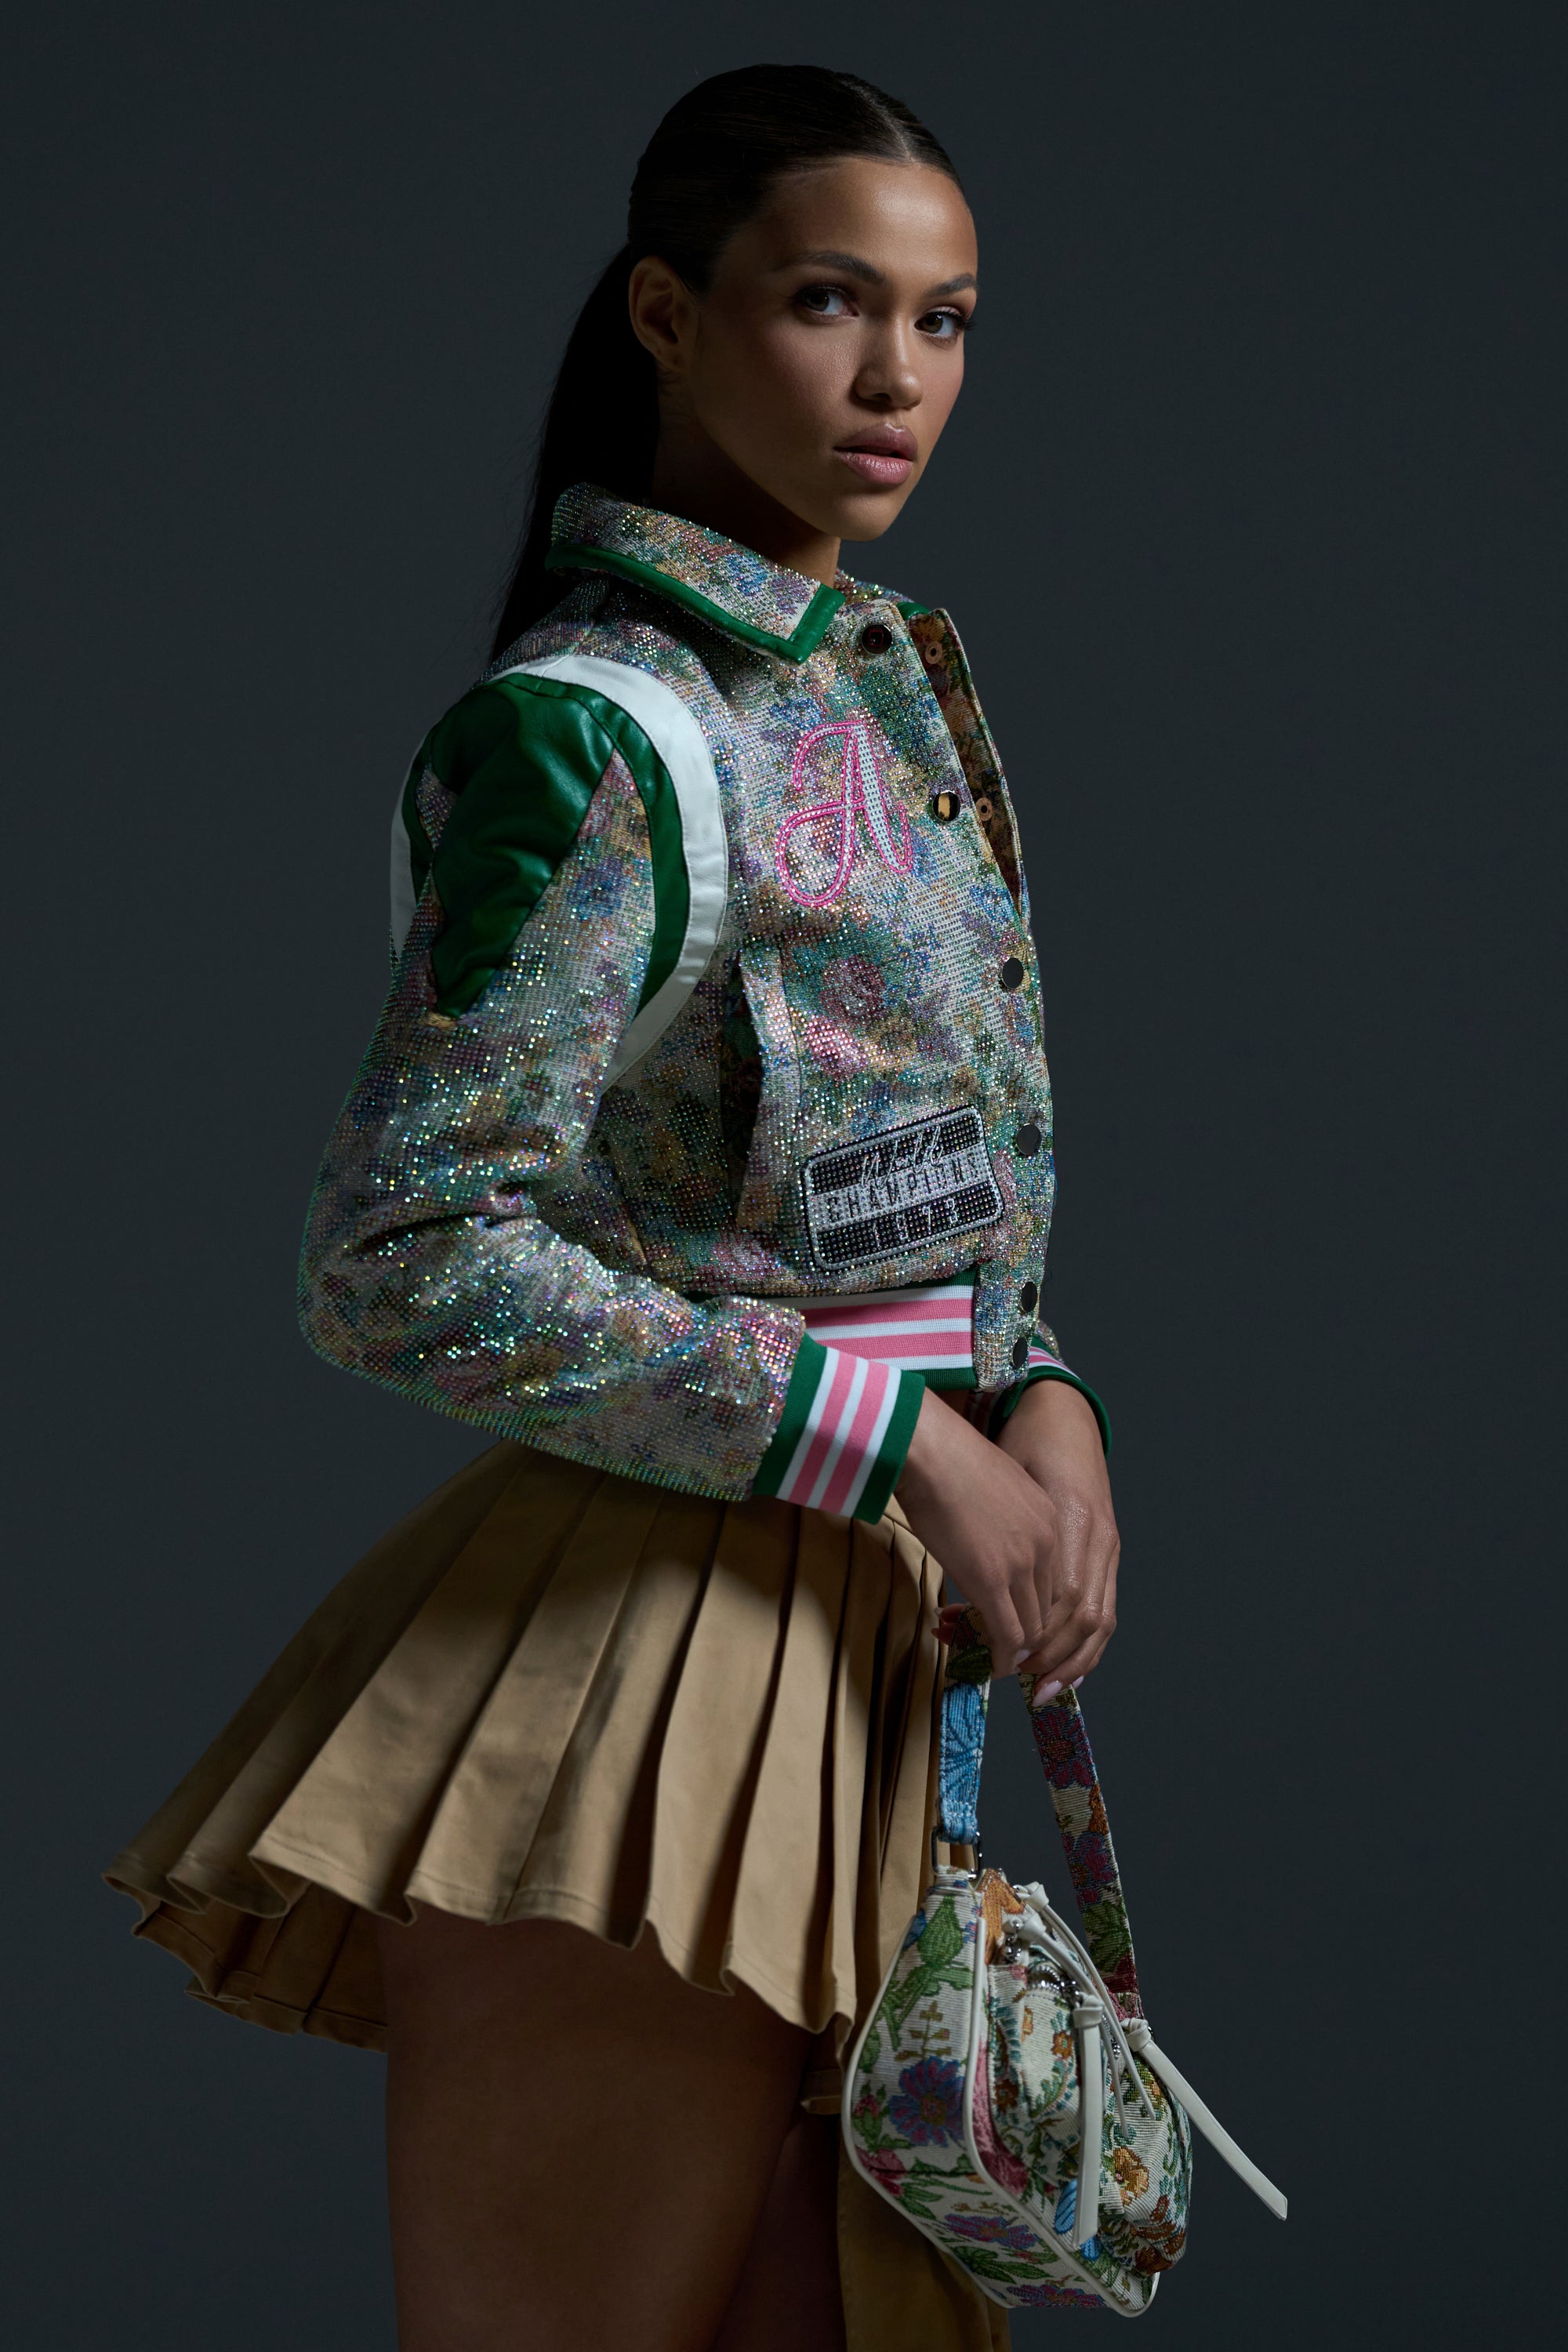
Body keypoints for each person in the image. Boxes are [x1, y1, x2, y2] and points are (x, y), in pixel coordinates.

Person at [109, 63, 1120, 2352]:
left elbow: (868, 1194)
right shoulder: (595, 733)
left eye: (946, 321)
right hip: (648, 1689)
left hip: (878, 1648)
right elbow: (402, 1252)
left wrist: (1036, 1393)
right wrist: (901, 1440)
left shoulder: (880, 694)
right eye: (830, 301)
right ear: (668, 314)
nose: (897, 377)